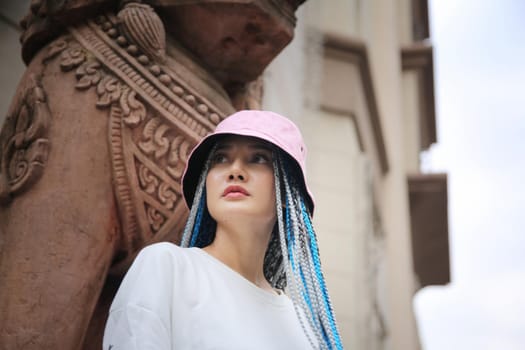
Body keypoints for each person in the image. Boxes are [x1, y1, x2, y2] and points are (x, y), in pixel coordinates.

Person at [103, 110, 343, 349]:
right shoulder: (166, 267)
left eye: (258, 158)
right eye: (220, 158)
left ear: (286, 192)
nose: (235, 170)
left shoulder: (302, 330)